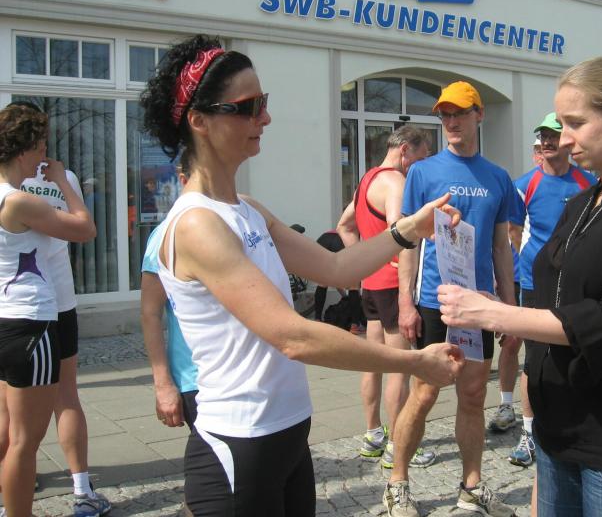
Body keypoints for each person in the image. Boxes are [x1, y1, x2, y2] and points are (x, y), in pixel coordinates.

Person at [138, 34, 464, 516]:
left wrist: (409, 229)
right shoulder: (196, 225)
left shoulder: (246, 209)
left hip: (287, 433)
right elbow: (293, 337)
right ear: (199, 121)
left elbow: (336, 267)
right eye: (249, 107)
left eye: (263, 102)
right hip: (239, 443)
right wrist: (413, 362)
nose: (265, 118)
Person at [438, 57, 602, 516]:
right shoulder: (583, 202)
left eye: (575, 123)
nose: (563, 139)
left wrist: (495, 314)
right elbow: (556, 297)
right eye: (561, 125)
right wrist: (490, 300)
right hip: (561, 430)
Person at [387, 81, 517, 517]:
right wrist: (405, 303)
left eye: (460, 112)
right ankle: (398, 483)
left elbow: (501, 248)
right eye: (444, 114)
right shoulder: (423, 172)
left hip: (477, 304)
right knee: (424, 393)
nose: (451, 121)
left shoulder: (498, 177)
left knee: (474, 395)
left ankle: (471, 487)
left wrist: (508, 309)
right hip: (434, 301)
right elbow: (408, 241)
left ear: (480, 114)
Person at [8, 101, 112, 517]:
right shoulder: (56, 180)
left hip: (16, 306)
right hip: (46, 306)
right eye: (42, 141)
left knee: (9, 412)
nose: (45, 148)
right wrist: (62, 180)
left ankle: (14, 486)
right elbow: (85, 228)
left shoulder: (11, 187)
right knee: (63, 399)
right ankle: (81, 489)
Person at [493, 114, 595, 472]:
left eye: (554, 136)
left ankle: (577, 423)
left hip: (577, 283)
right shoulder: (524, 184)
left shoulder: (588, 182)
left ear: (566, 140)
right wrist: (529, 264)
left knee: (577, 354)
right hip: (536, 284)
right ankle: (529, 433)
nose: (548, 142)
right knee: (534, 359)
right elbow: (513, 232)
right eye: (543, 137)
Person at [336, 125, 434, 468]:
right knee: (398, 368)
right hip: (392, 285)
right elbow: (401, 233)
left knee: (373, 363)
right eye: (420, 158)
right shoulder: (395, 182)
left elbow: (344, 225)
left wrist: (366, 262)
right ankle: (398, 445)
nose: (420, 166)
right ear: (405, 150)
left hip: (372, 285)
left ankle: (373, 434)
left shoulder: (367, 180)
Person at [140, 152, 199, 430]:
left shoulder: (238, 223)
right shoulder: (166, 235)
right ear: (183, 180)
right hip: (196, 379)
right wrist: (163, 384)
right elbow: (150, 314)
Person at [312, 230, 365, 333]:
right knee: (353, 285)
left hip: (323, 239)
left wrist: (344, 295)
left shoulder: (342, 228)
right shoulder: (357, 235)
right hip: (341, 242)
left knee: (323, 282)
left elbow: (334, 276)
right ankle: (354, 325)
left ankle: (317, 319)